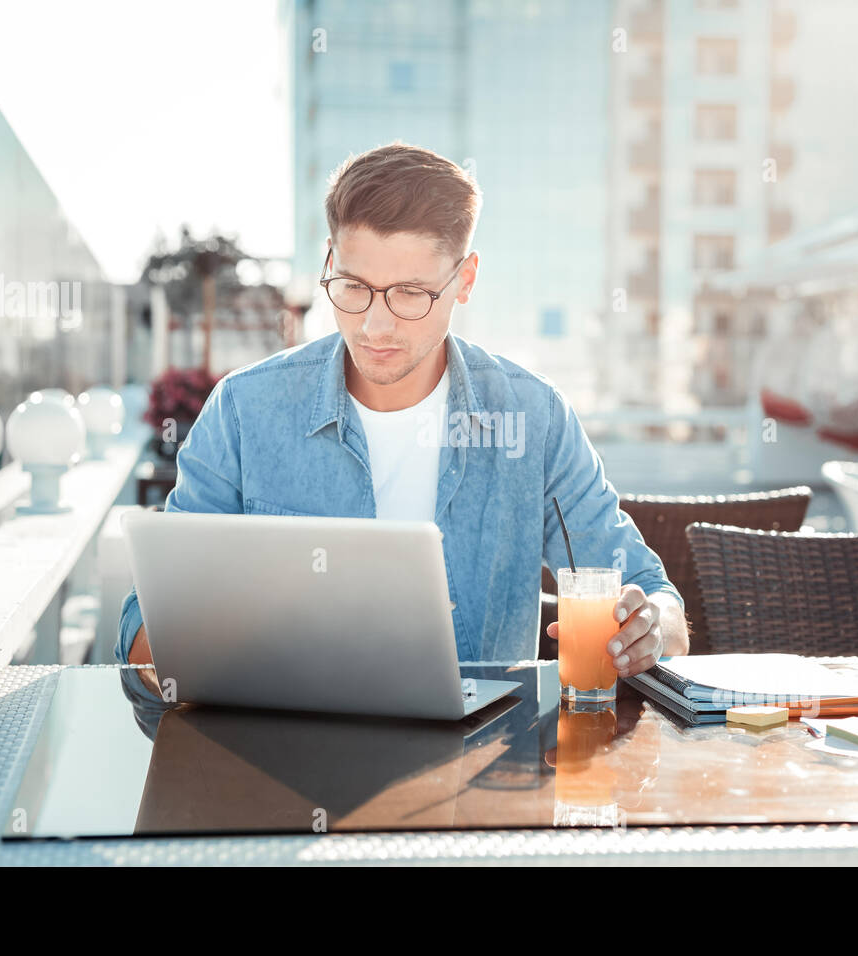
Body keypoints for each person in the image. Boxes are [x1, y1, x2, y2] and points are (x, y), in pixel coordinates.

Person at [118, 143, 687, 691]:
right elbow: (140, 633)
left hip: (478, 764)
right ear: (329, 262)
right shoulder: (245, 411)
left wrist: (649, 628)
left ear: (464, 281)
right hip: (283, 757)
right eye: (353, 287)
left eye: (411, 294)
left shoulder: (532, 417)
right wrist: (204, 632)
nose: (376, 326)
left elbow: (658, 603)